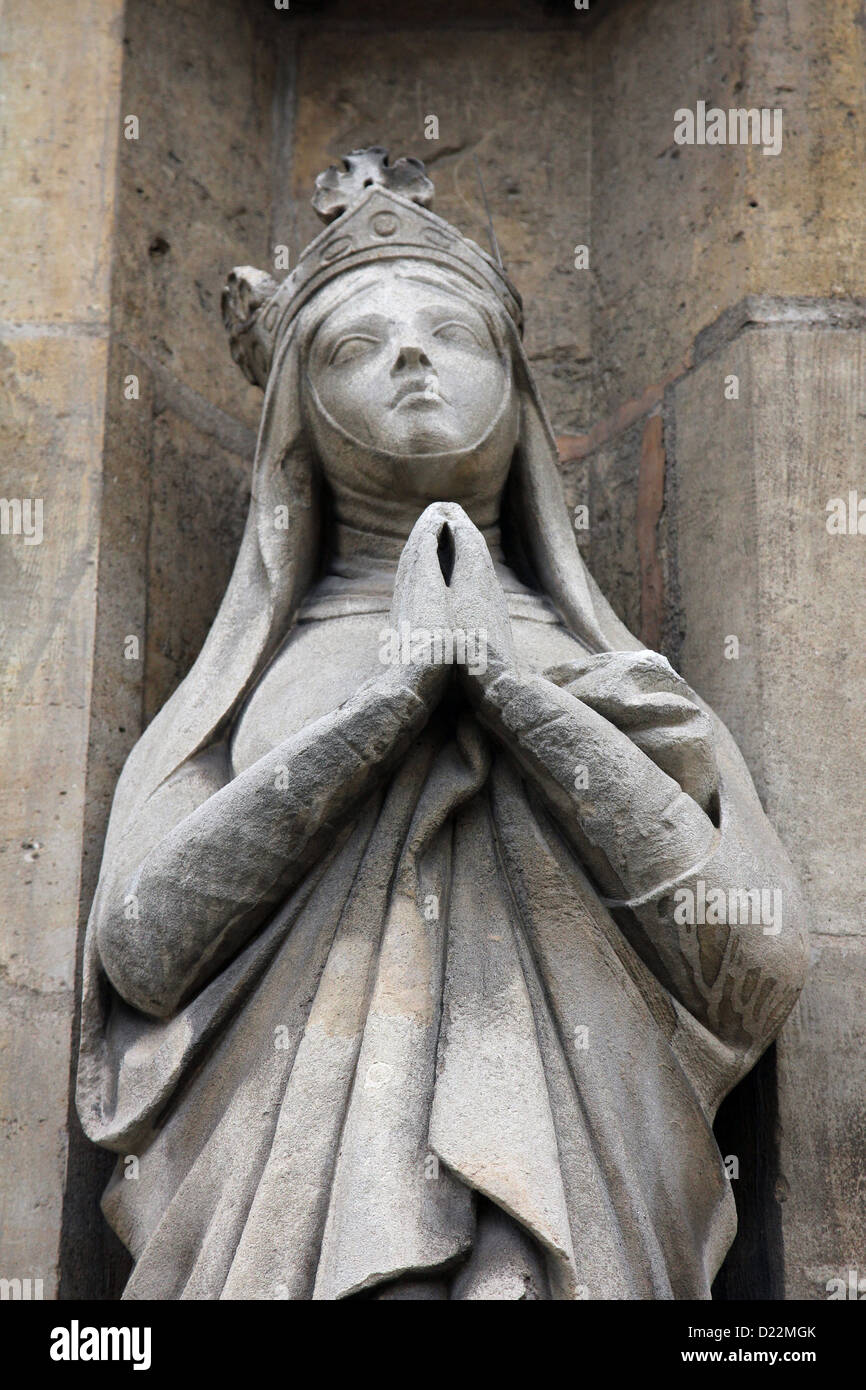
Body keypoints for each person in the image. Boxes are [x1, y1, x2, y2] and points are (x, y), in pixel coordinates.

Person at [76, 149, 808, 1300]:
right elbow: (141, 948)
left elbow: (750, 969)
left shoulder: (619, 676)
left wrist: (515, 697)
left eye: (451, 334)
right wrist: (392, 707)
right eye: (353, 348)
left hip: (588, 1183)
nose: (411, 356)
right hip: (292, 1193)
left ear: (515, 394)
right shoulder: (234, 695)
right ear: (295, 431)